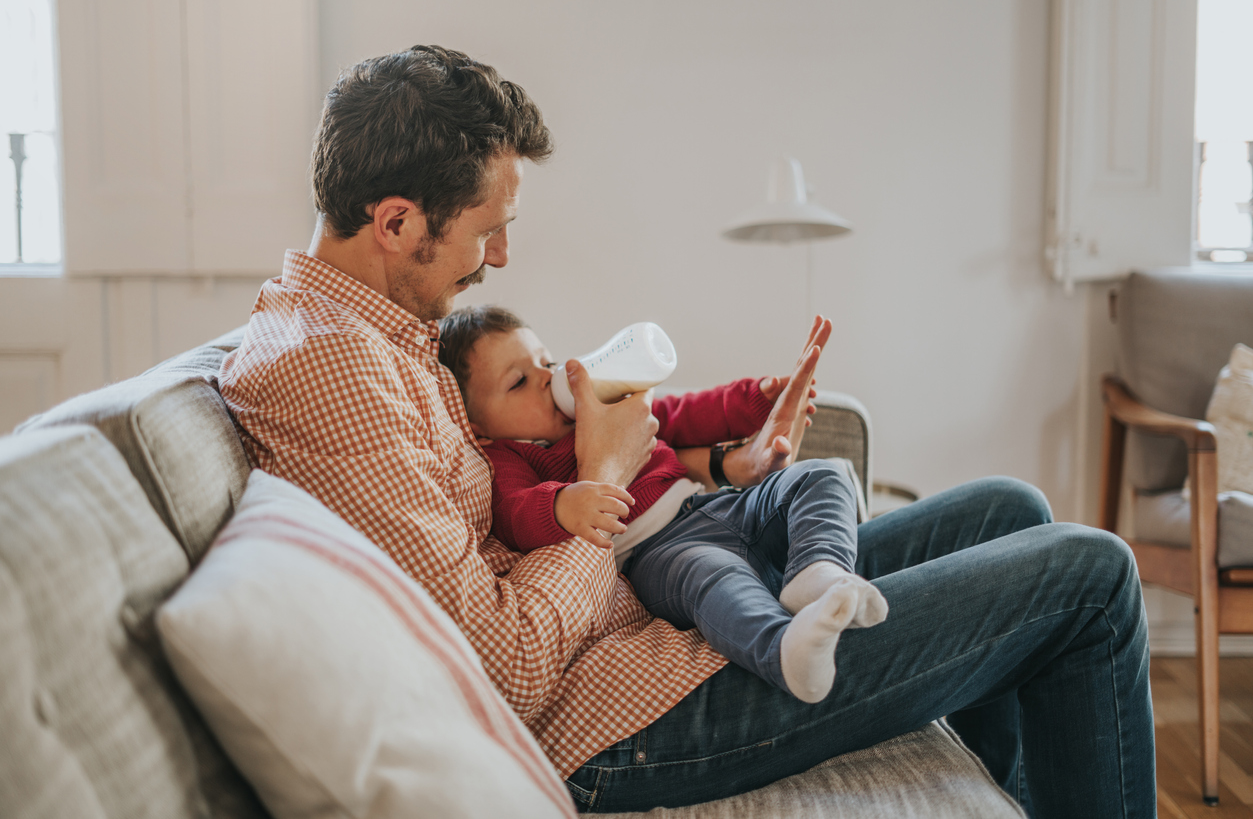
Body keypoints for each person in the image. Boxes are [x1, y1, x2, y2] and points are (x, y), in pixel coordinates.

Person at [218, 44, 1155, 816]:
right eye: (485, 231)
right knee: (1090, 573)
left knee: (1007, 509)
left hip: (650, 616)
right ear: (394, 220)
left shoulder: (383, 332)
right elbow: (502, 669)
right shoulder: (327, 367)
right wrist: (607, 480)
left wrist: (704, 460)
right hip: (616, 714)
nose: (500, 257)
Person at [437, 304, 888, 704]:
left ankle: (818, 571)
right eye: (519, 382)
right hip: (658, 553)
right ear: (475, 424)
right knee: (714, 577)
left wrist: (756, 398)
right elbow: (515, 511)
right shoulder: (507, 455)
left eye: (547, 363)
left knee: (821, 474)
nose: (547, 379)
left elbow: (682, 413)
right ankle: (785, 649)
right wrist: (562, 504)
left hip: (714, 506)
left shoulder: (600, 406)